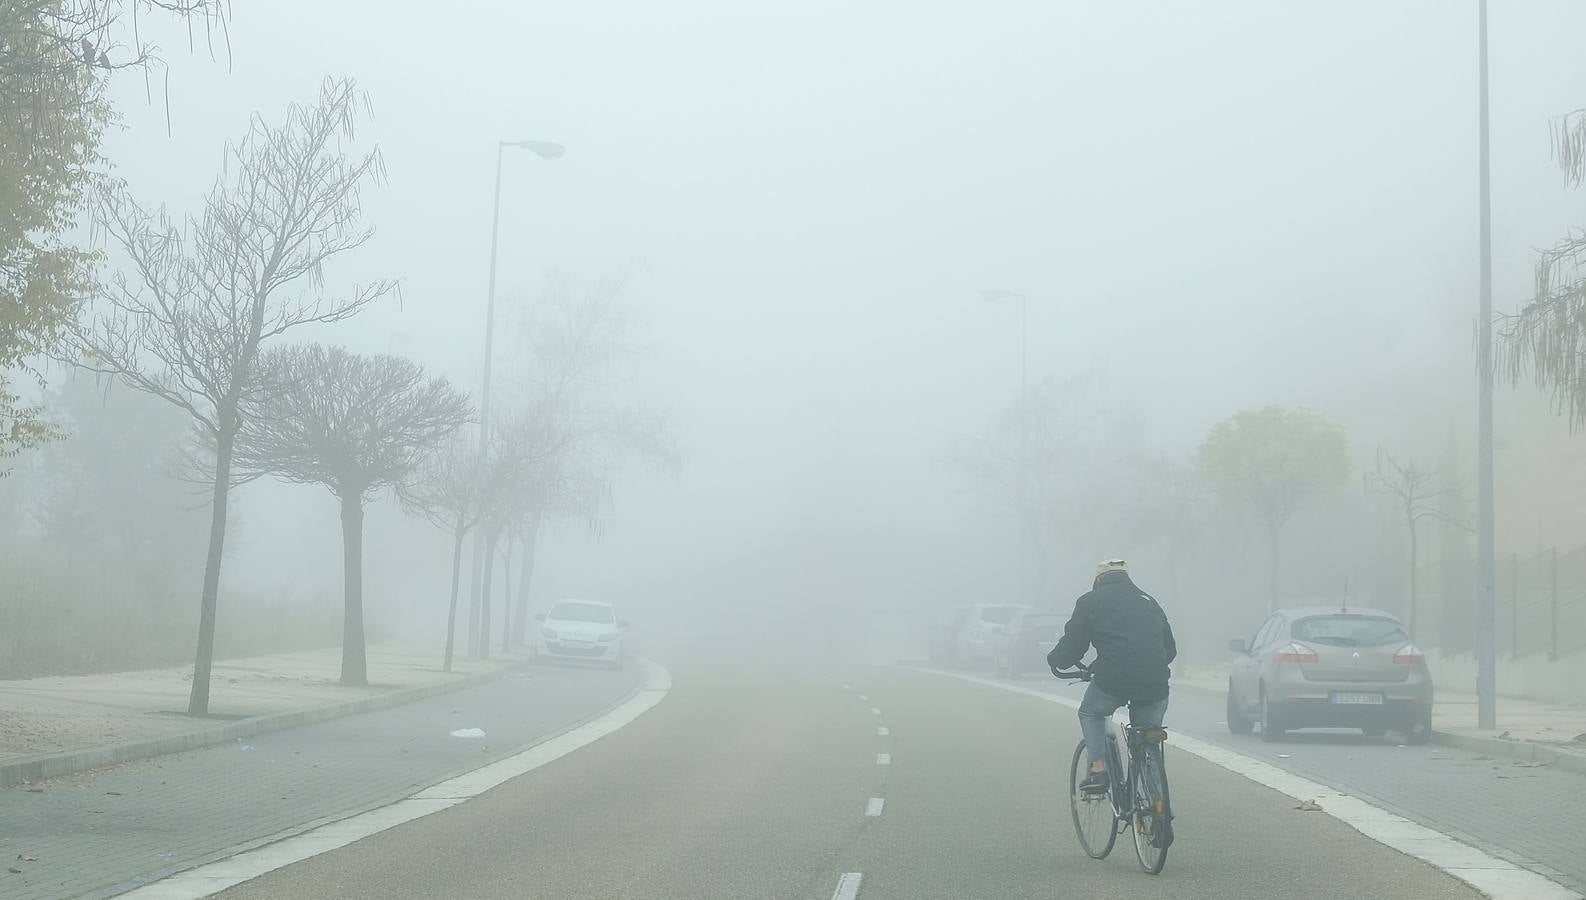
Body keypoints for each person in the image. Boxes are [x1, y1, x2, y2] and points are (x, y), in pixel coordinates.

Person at [1047, 559, 1177, 794]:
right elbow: (1170, 650)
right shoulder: (1149, 601)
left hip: (1113, 679)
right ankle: (1159, 809)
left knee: (1091, 713)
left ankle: (1098, 769)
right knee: (1148, 737)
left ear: (1098, 580)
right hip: (1155, 682)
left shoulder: (1090, 601)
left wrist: (1055, 660)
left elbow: (1074, 645)